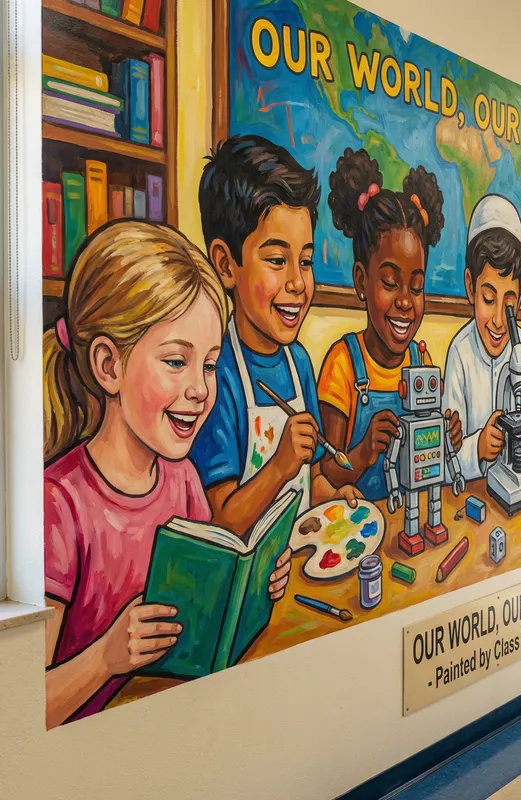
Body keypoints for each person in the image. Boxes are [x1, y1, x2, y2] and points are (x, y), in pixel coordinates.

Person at [43, 222, 291, 728]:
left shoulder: (184, 482)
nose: (200, 389)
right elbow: (22, 707)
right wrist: (105, 658)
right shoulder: (58, 506)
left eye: (210, 366)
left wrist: (253, 588)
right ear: (108, 365)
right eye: (177, 361)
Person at [190, 135, 359, 535]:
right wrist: (280, 466)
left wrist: (333, 497)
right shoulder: (216, 374)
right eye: (278, 260)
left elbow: (310, 481)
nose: (298, 282)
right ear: (225, 265)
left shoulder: (298, 362)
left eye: (306, 261)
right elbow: (222, 521)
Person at [318, 147, 462, 499]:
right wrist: (364, 452)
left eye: (417, 287)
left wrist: (445, 438)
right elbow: (325, 473)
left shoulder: (421, 361)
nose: (405, 301)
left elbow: (427, 457)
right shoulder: (343, 365)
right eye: (389, 282)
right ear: (361, 281)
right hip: (357, 522)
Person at [443, 194, 521, 482]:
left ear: (519, 300)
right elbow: (446, 458)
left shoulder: (520, 345)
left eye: (508, 305)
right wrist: (478, 448)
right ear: (470, 287)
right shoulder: (460, 352)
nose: (499, 320)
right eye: (488, 298)